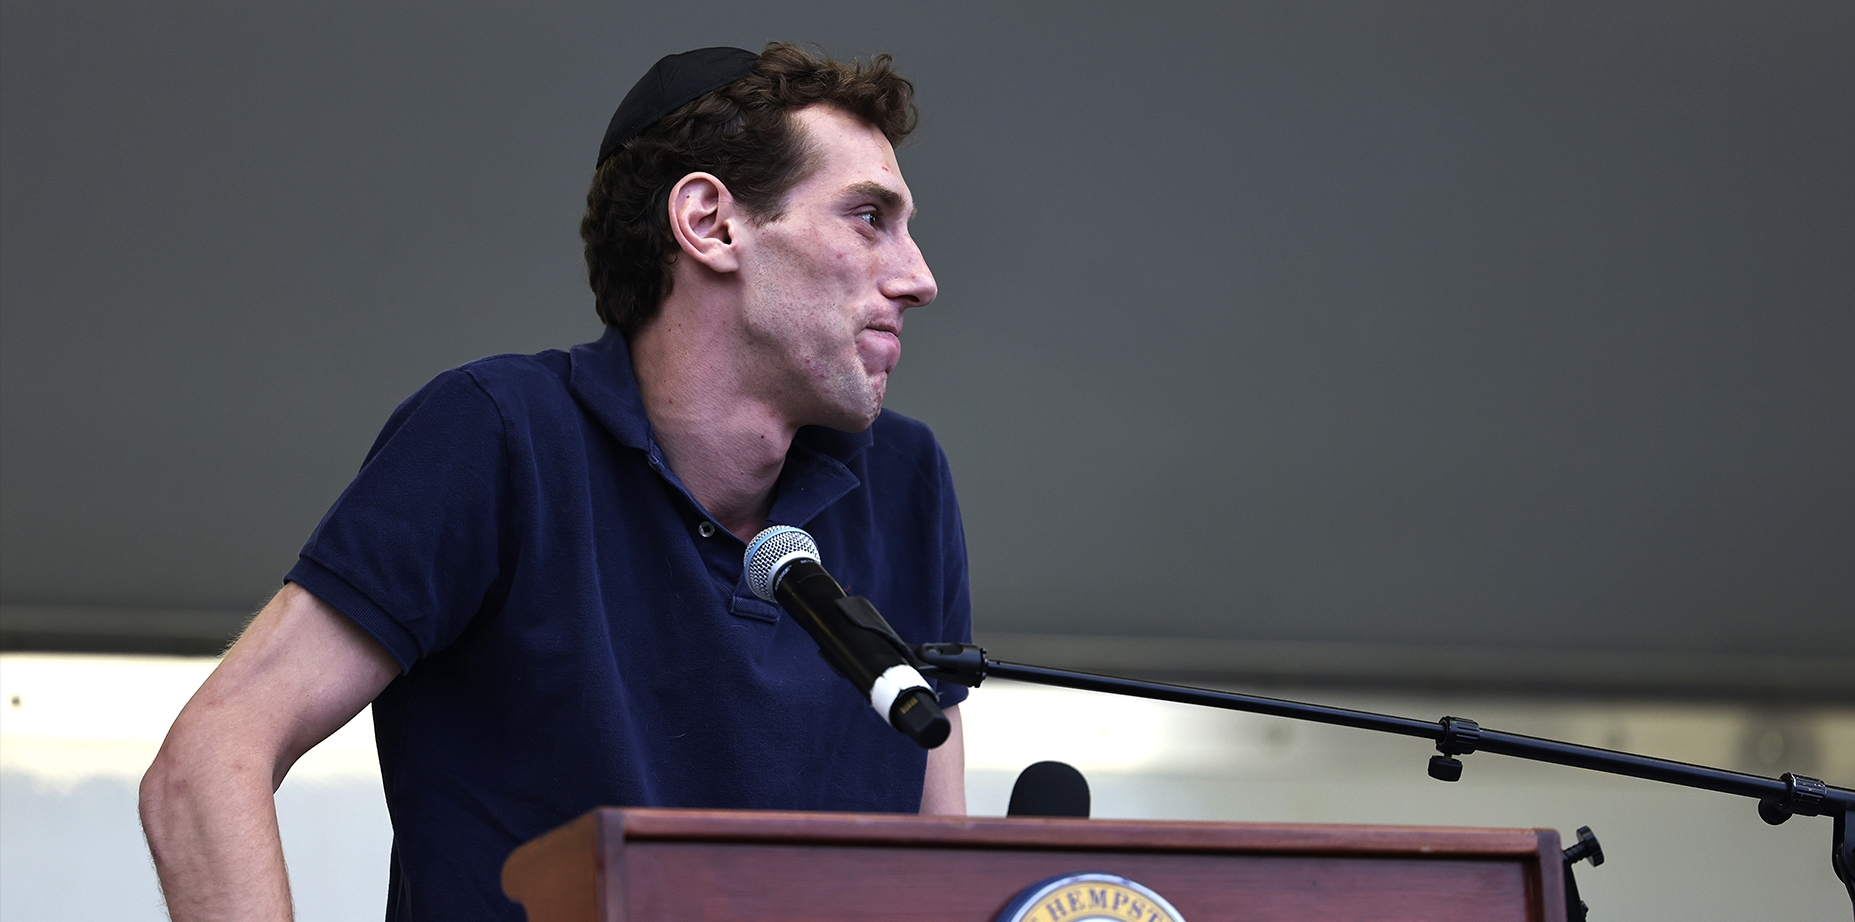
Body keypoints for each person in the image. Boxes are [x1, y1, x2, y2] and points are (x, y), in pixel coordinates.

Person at [139, 43, 970, 922]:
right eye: (869, 217)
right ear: (710, 223)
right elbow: (206, 764)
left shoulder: (907, 482)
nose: (919, 278)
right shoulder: (497, 434)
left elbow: (942, 862)